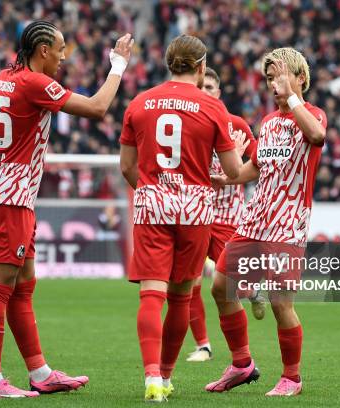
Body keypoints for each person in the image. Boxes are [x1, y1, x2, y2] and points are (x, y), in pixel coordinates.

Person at [0, 20, 133, 398]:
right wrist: (118, 65)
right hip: (8, 199)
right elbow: (96, 107)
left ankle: (40, 372)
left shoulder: (3, 80)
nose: (63, 57)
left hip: (7, 195)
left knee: (23, 287)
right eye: (60, 50)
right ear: (43, 50)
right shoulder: (33, 82)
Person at [119, 34, 243, 402]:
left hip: (152, 205)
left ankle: (152, 378)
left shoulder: (139, 103)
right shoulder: (213, 107)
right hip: (195, 209)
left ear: (168, 64)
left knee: (150, 295)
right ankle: (168, 375)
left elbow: (127, 166)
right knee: (180, 296)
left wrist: (151, 189)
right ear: (202, 66)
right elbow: (234, 170)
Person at [208, 47, 327, 397]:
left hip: (288, 223)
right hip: (255, 218)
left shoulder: (314, 114)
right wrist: (226, 179)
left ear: (300, 78)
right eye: (270, 78)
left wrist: (292, 101)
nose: (273, 84)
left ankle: (292, 377)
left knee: (279, 302)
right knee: (220, 287)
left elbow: (317, 137)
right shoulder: (269, 122)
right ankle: (242, 364)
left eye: (280, 76)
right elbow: (253, 169)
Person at [185, 67, 263, 364]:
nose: (204, 91)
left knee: (233, 285)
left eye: (209, 87)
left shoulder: (235, 125)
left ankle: (253, 290)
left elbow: (259, 161)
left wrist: (237, 165)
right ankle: (203, 346)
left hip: (228, 217)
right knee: (189, 282)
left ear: (218, 93)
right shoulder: (186, 123)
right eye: (200, 86)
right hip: (193, 213)